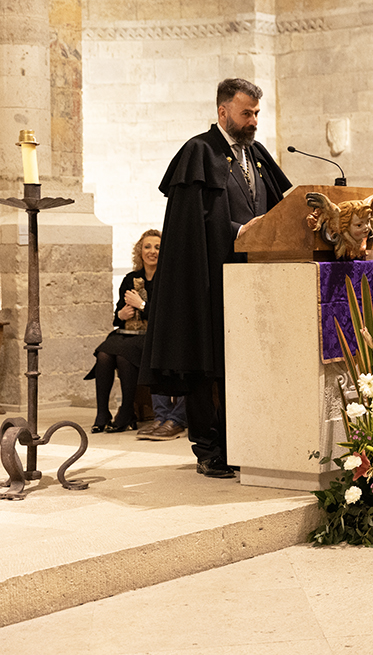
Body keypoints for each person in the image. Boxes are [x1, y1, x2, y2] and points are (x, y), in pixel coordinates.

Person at [142, 78, 292, 479]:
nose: (253, 120)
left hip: (253, 282)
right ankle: (209, 450)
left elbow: (277, 209)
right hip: (208, 279)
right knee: (204, 367)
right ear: (223, 111)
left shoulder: (256, 155)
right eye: (246, 113)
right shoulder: (199, 151)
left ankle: (241, 443)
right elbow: (191, 224)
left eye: (256, 113)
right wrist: (239, 230)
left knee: (244, 368)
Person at [85, 230, 161, 433]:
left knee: (123, 356)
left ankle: (127, 411)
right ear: (140, 251)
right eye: (147, 247)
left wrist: (142, 305)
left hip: (153, 337)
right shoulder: (131, 278)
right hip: (128, 334)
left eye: (157, 247)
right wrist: (122, 314)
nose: (152, 251)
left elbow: (165, 317)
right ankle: (102, 413)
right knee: (104, 354)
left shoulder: (166, 279)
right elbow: (117, 317)